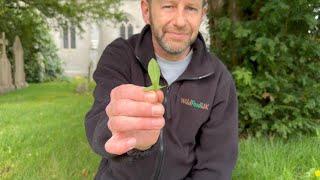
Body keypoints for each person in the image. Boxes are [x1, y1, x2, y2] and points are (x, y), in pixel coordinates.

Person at [85, 0, 238, 179]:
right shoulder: (120, 55)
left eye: (190, 8)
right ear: (146, 10)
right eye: (168, 6)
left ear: (202, 15)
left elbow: (215, 166)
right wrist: (124, 133)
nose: (180, 21)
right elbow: (97, 123)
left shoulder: (219, 79)